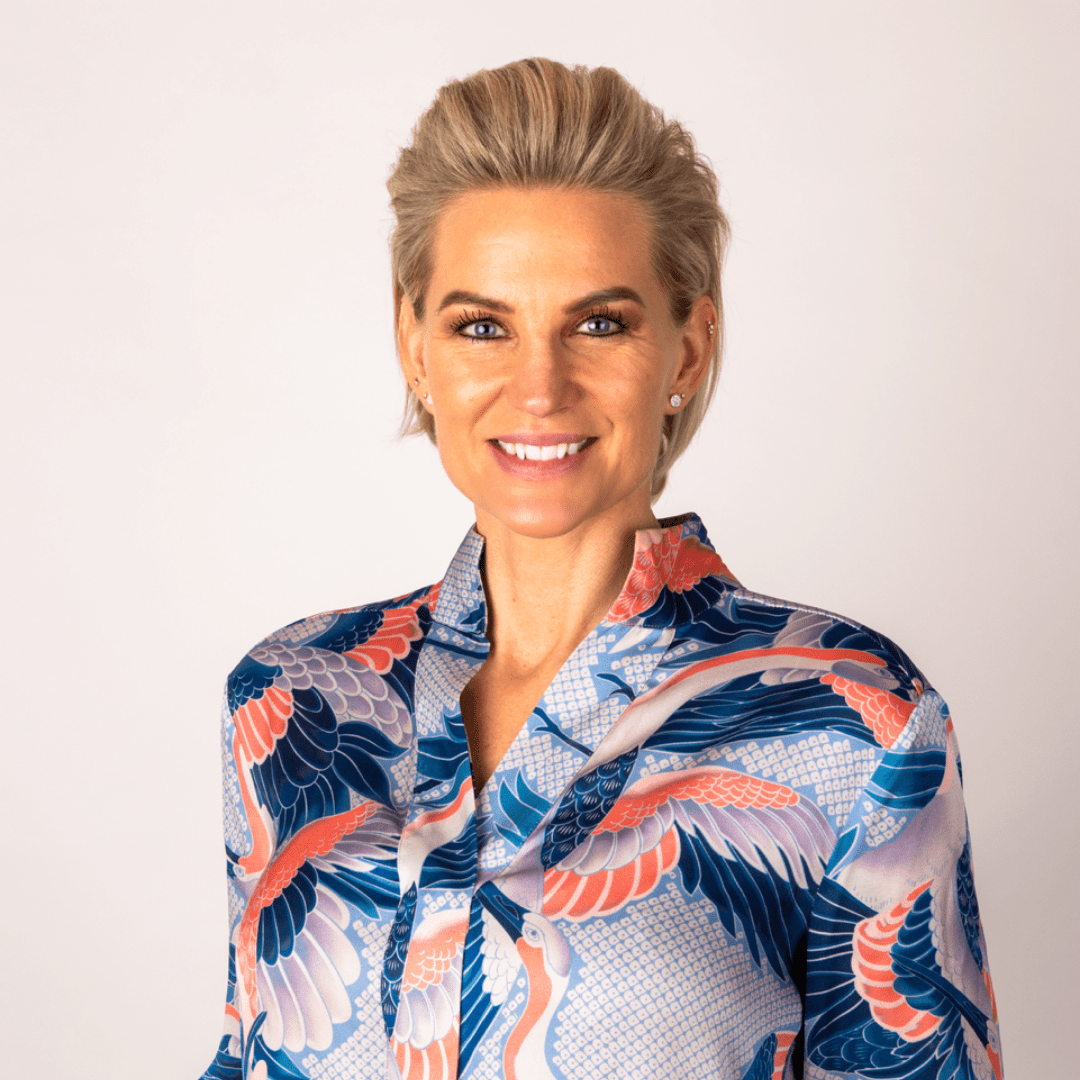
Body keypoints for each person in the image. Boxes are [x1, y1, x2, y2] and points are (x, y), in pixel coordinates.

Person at [200, 58, 1001, 1080]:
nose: (540, 386)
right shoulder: (289, 700)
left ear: (687, 352)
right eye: (482, 326)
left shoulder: (855, 722)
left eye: (599, 323)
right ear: (416, 348)